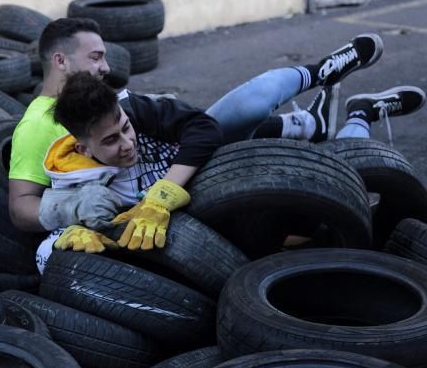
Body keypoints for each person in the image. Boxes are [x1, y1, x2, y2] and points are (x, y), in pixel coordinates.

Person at [8, 17, 385, 234]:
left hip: (187, 164)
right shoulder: (37, 127)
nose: (106, 66)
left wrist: (165, 191)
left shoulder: (115, 101)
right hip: (200, 192)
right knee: (320, 197)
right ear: (60, 60)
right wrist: (75, 211)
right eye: (95, 57)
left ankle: (321, 73)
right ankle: (358, 116)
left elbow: (196, 128)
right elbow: (21, 207)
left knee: (247, 104)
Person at [35, 70, 425, 270]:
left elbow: (206, 129)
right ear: (84, 147)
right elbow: (43, 248)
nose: (127, 142)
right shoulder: (74, 182)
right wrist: (64, 241)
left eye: (124, 128)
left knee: (339, 174)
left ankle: (361, 114)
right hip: (225, 237)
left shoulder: (140, 113)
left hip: (238, 182)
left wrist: (162, 196)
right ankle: (326, 121)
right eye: (111, 142)